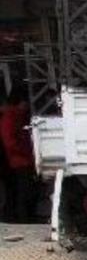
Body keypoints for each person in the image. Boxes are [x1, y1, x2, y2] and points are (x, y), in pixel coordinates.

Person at [0, 85, 35, 224]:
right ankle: (22, 218)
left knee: (21, 190)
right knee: (22, 191)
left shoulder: (15, 116)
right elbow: (9, 141)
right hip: (19, 160)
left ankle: (22, 216)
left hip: (19, 159)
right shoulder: (11, 117)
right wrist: (26, 152)